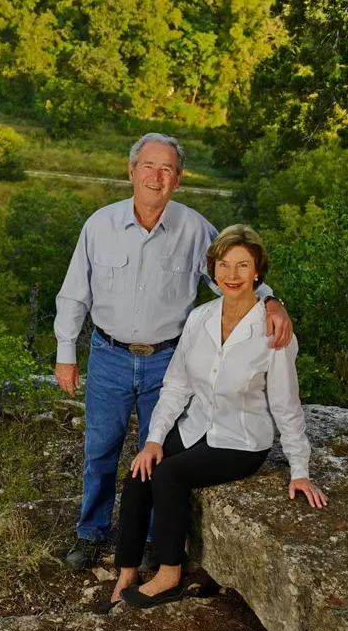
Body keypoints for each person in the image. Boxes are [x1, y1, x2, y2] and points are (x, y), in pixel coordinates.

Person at [55, 133, 293, 570]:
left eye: (166, 169)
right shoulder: (99, 226)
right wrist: (66, 350)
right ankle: (91, 533)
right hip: (108, 356)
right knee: (100, 450)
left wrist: (272, 301)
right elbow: (74, 294)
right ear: (131, 170)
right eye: (148, 166)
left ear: (178, 179)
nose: (156, 176)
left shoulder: (196, 229)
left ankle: (151, 541)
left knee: (161, 451)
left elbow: (234, 273)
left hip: (168, 361)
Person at [111, 224, 327, 610]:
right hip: (195, 426)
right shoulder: (200, 318)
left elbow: (286, 404)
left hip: (240, 440)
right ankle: (126, 570)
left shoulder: (274, 332)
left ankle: (169, 574)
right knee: (142, 468)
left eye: (242, 265)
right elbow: (177, 386)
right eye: (223, 265)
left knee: (169, 475)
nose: (232, 275)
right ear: (212, 271)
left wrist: (300, 469)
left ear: (258, 272)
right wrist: (155, 439)